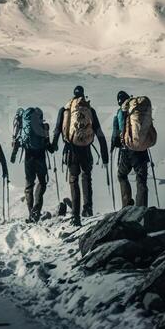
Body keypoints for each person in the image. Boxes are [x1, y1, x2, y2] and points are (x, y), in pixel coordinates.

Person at [52, 86, 108, 227]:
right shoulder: (90, 111)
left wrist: (53, 146)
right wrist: (105, 156)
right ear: (83, 96)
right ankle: (88, 209)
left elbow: (57, 129)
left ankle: (75, 216)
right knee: (86, 177)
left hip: (72, 150)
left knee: (73, 180)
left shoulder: (65, 110)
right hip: (86, 150)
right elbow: (100, 134)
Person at [111, 92, 157, 208]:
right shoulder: (138, 109)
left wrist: (114, 145)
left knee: (121, 175)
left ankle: (127, 206)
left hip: (127, 151)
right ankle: (142, 209)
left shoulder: (120, 113)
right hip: (142, 150)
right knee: (141, 180)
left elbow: (115, 137)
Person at [11, 106, 53, 222]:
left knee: (29, 185)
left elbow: (18, 142)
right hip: (40, 156)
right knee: (42, 183)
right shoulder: (43, 127)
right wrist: (52, 147)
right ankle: (36, 211)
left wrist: (14, 154)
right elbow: (49, 146)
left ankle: (31, 214)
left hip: (28, 156)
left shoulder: (25, 127)